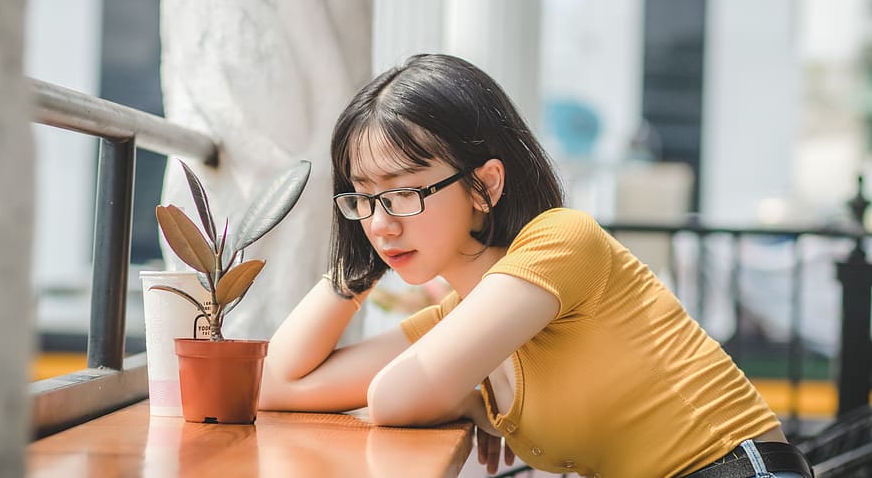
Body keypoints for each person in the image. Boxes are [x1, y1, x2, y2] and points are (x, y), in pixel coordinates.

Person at [258, 54, 814, 478]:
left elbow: (393, 398)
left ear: (485, 184)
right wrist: (356, 267)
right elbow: (276, 384)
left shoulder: (559, 243)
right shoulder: (466, 315)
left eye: (404, 193)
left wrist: (464, 399)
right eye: (362, 198)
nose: (381, 224)